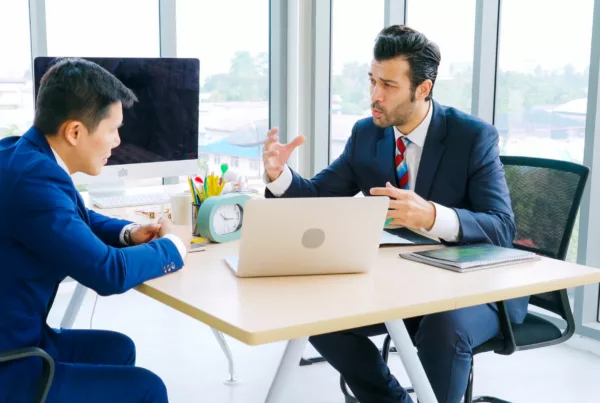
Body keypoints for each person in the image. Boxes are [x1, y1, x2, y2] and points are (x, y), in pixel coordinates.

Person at [262, 25, 524, 403]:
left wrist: (432, 217)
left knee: (443, 326)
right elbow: (318, 196)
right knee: (319, 316)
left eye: (388, 85)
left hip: (476, 291)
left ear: (423, 89)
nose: (374, 96)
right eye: (372, 81)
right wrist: (278, 174)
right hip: (404, 281)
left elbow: (502, 228)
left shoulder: (472, 137)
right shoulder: (367, 134)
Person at [0, 58, 192, 403]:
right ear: (75, 132)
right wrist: (176, 245)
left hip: (21, 335)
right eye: (112, 129)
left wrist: (130, 232)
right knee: (148, 389)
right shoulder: (35, 180)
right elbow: (108, 273)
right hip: (11, 364)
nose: (118, 142)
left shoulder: (23, 154)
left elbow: (73, 216)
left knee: (117, 349)